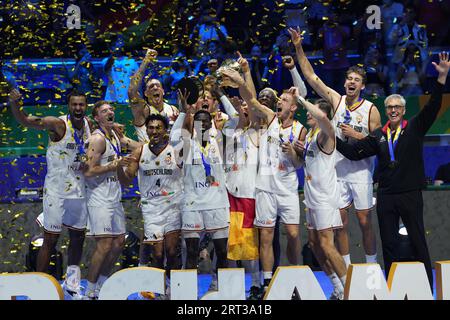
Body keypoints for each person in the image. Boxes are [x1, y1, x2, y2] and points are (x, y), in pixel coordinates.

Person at [335, 52, 450, 291]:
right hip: (386, 196)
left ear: (404, 110)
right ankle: (393, 287)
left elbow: (434, 105)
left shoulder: (415, 127)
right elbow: (356, 153)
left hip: (410, 193)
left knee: (418, 239)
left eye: (397, 107)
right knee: (389, 243)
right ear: (385, 110)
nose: (394, 110)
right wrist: (331, 138)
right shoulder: (378, 136)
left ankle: (426, 288)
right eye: (390, 107)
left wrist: (442, 77)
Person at [289, 27, 381, 268]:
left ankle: (371, 268)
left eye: (356, 80)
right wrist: (299, 46)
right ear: (345, 82)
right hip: (337, 169)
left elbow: (377, 143)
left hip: (361, 170)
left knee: (364, 221)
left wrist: (358, 135)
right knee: (340, 223)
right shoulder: (336, 100)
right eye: (349, 79)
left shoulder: (371, 109)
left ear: (362, 86)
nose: (351, 82)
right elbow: (311, 77)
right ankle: (349, 271)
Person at [220, 67, 304, 296]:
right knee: (265, 238)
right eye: (280, 99)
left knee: (294, 235)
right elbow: (252, 100)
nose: (280, 102)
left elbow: (298, 164)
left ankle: (297, 276)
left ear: (293, 107)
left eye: (284, 100)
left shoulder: (300, 129)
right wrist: (242, 78)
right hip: (265, 189)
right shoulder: (270, 120)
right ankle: (268, 283)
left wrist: (292, 153)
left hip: (287, 189)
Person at [9, 89, 91, 299]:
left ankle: (72, 284)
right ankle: (38, 286)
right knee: (50, 239)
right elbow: (26, 121)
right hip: (57, 192)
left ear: (86, 106)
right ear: (68, 106)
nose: (78, 108)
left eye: (81, 104)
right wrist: (15, 105)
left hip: (80, 191)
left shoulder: (91, 125)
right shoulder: (58, 124)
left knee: (77, 238)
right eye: (74, 105)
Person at [174, 90, 230, 293]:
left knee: (223, 251)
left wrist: (222, 97)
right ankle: (187, 293)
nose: (203, 124)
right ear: (194, 126)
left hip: (217, 203)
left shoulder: (221, 144)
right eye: (199, 122)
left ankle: (218, 288)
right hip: (193, 205)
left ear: (212, 124)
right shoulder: (187, 145)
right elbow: (174, 138)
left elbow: (236, 122)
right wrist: (183, 112)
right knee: (191, 251)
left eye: (207, 121)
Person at [122, 114, 183, 299]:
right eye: (151, 128)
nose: (154, 131)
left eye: (158, 127)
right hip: (151, 208)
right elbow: (127, 178)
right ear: (146, 130)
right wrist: (121, 167)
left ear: (165, 131)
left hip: (174, 206)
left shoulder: (176, 149)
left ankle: (172, 288)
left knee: (172, 251)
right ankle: (158, 288)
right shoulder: (139, 151)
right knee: (157, 253)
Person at [295, 93, 347, 300]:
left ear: (322, 114)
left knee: (327, 244)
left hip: (326, 198)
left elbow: (324, 120)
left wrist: (302, 100)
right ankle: (338, 287)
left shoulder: (327, 133)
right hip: (311, 198)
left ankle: (349, 289)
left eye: (312, 110)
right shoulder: (310, 136)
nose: (308, 112)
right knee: (315, 245)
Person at [83, 100, 136, 299]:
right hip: (98, 198)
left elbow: (135, 147)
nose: (110, 112)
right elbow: (89, 171)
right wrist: (115, 164)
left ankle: (102, 285)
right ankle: (89, 290)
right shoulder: (97, 139)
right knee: (104, 244)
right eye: (104, 111)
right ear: (97, 117)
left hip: (114, 197)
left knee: (119, 242)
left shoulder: (113, 135)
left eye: (111, 109)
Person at [128, 48, 179, 143]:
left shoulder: (172, 110)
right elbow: (131, 91)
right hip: (148, 156)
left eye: (158, 86)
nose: (155, 88)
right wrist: (146, 61)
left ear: (163, 91)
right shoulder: (143, 110)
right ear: (146, 94)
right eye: (151, 87)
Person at [102, 34, 139, 104]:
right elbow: (106, 70)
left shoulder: (132, 62)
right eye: (116, 43)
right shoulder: (105, 61)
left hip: (128, 100)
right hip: (111, 100)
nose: (118, 45)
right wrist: (112, 51)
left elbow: (137, 82)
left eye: (120, 42)